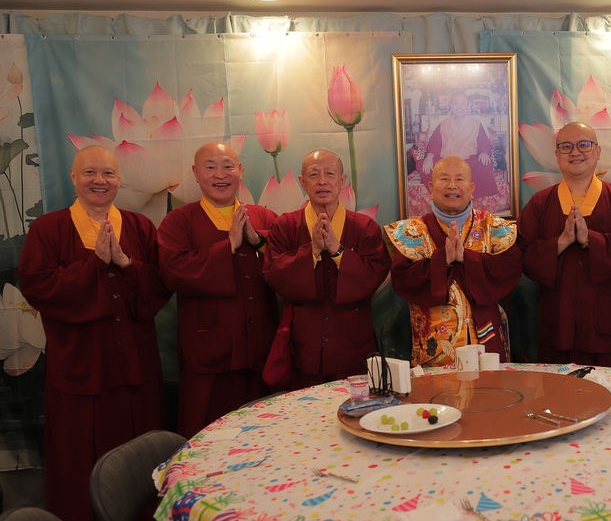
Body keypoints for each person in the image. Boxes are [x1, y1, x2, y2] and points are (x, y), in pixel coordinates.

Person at [19, 145, 170, 521]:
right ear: (73, 177)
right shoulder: (49, 229)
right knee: (80, 455)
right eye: (89, 173)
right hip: (82, 367)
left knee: (140, 451)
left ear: (119, 179)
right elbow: (38, 287)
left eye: (108, 173)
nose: (99, 181)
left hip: (135, 363)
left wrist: (126, 264)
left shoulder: (139, 227)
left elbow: (160, 287)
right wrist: (94, 265)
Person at [157, 142, 279, 438]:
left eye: (228, 166)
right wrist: (229, 246)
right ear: (196, 173)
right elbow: (173, 272)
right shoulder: (179, 221)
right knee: (207, 433)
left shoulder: (264, 217)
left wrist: (259, 241)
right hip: (209, 349)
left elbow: (288, 265)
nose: (220, 175)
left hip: (259, 346)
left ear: (241, 171)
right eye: (210, 167)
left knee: (264, 432)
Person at [517, 122, 611, 369]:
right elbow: (523, 258)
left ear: (598, 152)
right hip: (559, 326)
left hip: (609, 325)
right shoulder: (540, 203)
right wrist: (561, 242)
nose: (575, 152)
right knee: (560, 391)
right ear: (557, 155)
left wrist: (591, 240)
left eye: (584, 145)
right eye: (566, 146)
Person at [263, 149, 390, 390]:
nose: (322, 181)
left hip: (352, 343)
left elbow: (373, 276)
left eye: (330, 174)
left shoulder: (364, 227)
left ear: (342, 181)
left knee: (356, 407)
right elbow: (275, 275)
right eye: (314, 175)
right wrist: (311, 251)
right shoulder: (285, 226)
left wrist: (337, 251)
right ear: (302, 182)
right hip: (304, 347)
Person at [386, 156, 521, 366]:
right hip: (433, 349)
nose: (452, 185)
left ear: (471, 188)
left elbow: (509, 270)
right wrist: (443, 260)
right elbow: (404, 280)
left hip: (487, 346)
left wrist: (468, 258)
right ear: (431, 188)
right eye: (444, 179)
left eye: (459, 179)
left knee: (491, 386)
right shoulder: (411, 233)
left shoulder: (494, 227)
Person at [418, 93, 499, 198]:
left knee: (485, 164)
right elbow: (435, 144)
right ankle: (445, 193)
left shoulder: (476, 124)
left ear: (468, 106)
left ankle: (467, 195)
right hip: (447, 162)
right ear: (451, 106)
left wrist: (484, 153)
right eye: (456, 103)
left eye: (463, 104)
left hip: (468, 162)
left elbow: (483, 143)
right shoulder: (443, 124)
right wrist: (429, 157)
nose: (459, 107)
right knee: (422, 164)